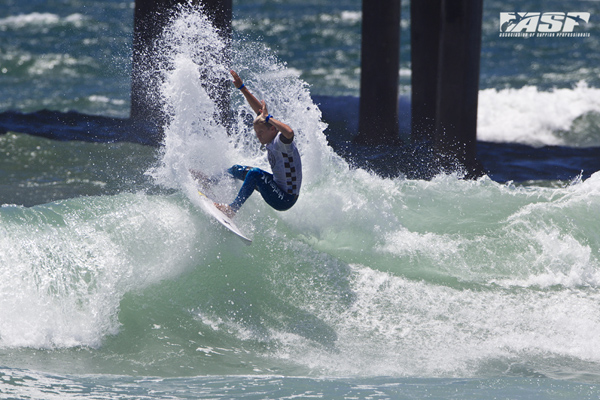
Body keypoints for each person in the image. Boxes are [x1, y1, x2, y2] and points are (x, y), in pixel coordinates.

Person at [212, 70, 302, 218]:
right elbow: (259, 113)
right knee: (236, 169)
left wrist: (269, 117)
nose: (258, 136)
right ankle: (210, 181)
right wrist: (242, 88)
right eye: (256, 133)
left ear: (272, 129)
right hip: (276, 187)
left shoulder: (281, 140)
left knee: (255, 174)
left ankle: (232, 210)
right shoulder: (271, 135)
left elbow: (290, 132)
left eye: (260, 133)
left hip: (285, 199)